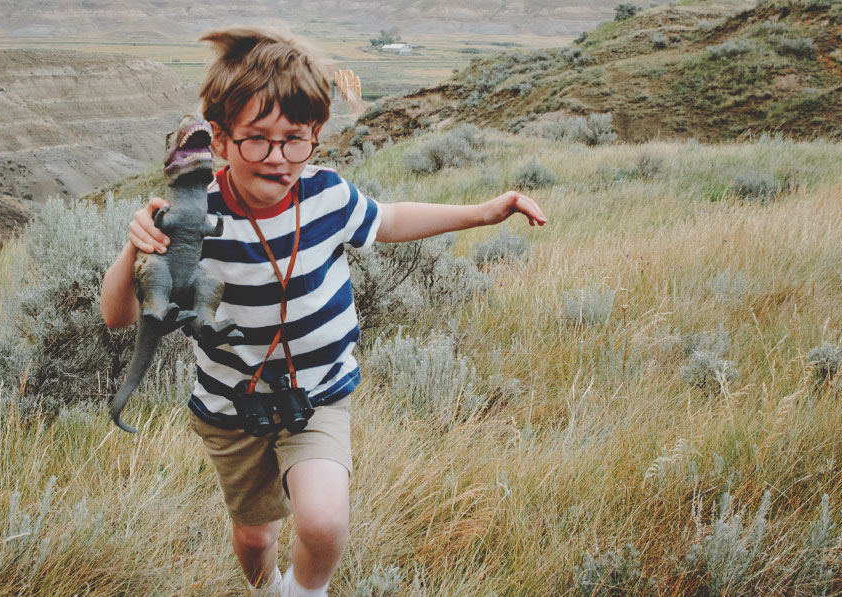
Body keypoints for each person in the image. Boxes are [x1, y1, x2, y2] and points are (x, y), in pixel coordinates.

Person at [99, 26, 548, 596]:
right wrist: (134, 244)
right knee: (256, 536)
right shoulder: (197, 213)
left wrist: (483, 213)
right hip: (231, 404)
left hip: (318, 391)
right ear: (219, 139)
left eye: (296, 139)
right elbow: (117, 317)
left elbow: (388, 220)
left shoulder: (327, 194)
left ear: (315, 136)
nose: (279, 158)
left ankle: (302, 593)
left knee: (325, 522)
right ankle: (263, 589)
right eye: (258, 139)